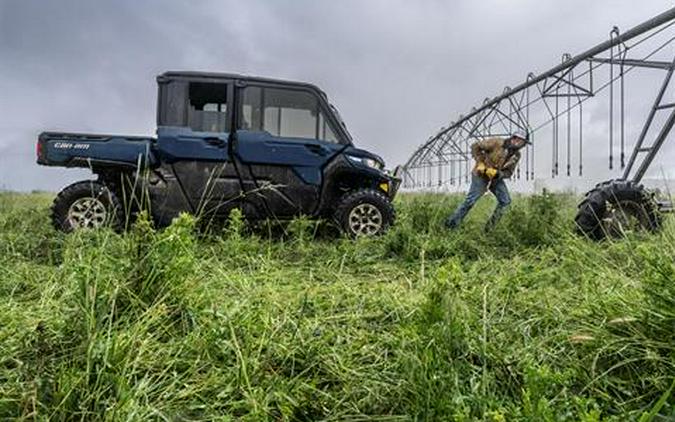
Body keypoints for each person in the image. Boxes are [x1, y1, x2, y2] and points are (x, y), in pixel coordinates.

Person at [445, 132, 530, 231]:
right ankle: (450, 225)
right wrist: (480, 162)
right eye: (517, 139)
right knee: (470, 201)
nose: (518, 142)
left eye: (522, 142)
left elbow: (509, 172)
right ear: (513, 138)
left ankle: (489, 229)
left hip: (494, 178)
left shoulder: (516, 155)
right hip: (480, 174)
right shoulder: (497, 142)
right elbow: (475, 146)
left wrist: (498, 174)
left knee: (505, 201)